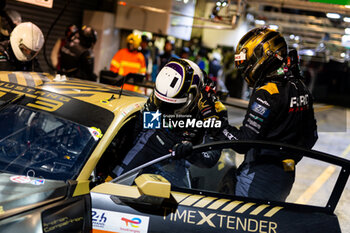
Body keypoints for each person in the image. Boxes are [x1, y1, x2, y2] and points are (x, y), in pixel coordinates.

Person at [186, 27, 318, 202]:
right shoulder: (300, 87)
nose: (246, 68)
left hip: (259, 176)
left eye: (249, 62)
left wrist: (213, 121)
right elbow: (311, 137)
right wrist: (286, 157)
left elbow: (243, 143)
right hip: (285, 174)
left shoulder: (267, 92)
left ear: (264, 56)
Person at [113, 58, 222, 187]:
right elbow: (140, 134)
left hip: (176, 169)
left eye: (170, 105)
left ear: (191, 96)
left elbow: (211, 157)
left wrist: (191, 151)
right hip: (144, 157)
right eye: (162, 102)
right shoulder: (160, 97)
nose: (164, 108)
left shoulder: (211, 110)